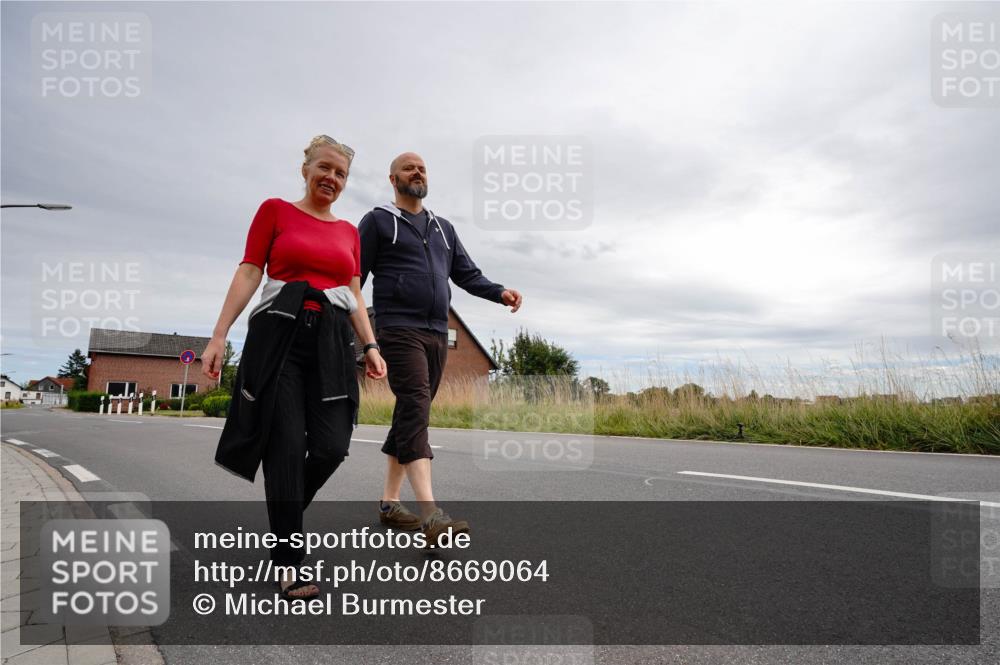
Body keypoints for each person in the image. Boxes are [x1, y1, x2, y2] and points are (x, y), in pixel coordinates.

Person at [202, 135, 386, 599]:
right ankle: (290, 562)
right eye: (324, 167)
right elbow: (249, 270)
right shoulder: (275, 211)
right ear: (305, 169)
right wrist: (220, 333)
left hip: (330, 341)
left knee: (330, 446)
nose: (332, 178)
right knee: (284, 448)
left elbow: (353, 292)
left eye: (341, 173)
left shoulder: (347, 233)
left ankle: (285, 518)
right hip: (279, 335)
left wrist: (370, 346)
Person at [358, 152, 522, 545]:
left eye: (423, 167)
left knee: (412, 411)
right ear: (392, 177)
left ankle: (389, 502)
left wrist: (498, 292)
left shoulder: (443, 228)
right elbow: (353, 279)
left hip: (436, 331)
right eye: (409, 167)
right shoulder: (378, 221)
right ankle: (431, 514)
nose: (417, 172)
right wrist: (363, 340)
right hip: (398, 328)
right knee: (415, 403)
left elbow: (467, 274)